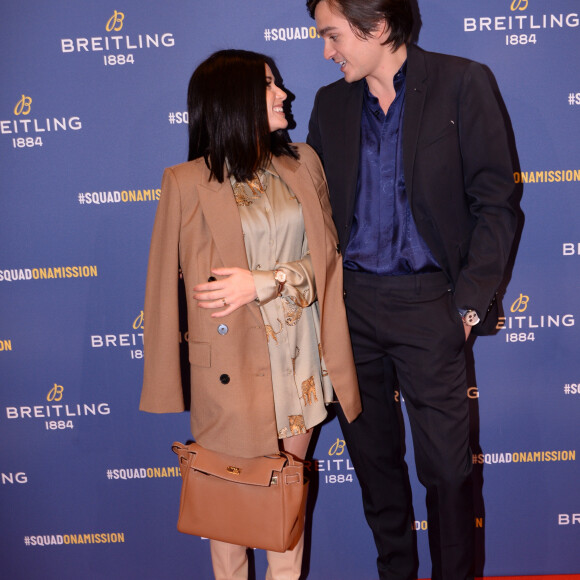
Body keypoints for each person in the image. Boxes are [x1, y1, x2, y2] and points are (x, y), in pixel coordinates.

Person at [305, 1, 518, 579]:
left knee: (449, 473)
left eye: (333, 36)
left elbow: (496, 205)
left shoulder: (461, 83)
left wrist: (468, 306)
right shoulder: (330, 104)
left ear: (376, 27)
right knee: (376, 469)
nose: (326, 52)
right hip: (352, 311)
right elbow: (315, 215)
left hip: (432, 307)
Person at [139, 49, 361, 580]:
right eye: (268, 85)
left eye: (277, 82)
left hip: (299, 368)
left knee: (285, 519)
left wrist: (266, 281)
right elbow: (160, 293)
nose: (283, 93)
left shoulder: (302, 162)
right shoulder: (185, 182)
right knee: (229, 526)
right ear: (233, 99)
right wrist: (167, 383)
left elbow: (330, 258)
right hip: (229, 374)